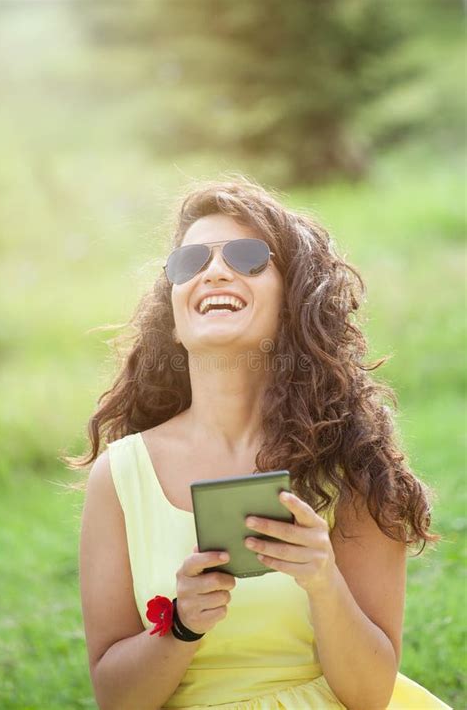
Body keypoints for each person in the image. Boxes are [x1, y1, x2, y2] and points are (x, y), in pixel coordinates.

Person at [69, 177, 452, 709]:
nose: (215, 271)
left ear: (292, 303)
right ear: (174, 319)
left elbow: (369, 695)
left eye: (248, 258)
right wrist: (180, 626)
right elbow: (116, 699)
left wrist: (323, 582)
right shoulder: (121, 476)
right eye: (190, 262)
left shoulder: (350, 462)